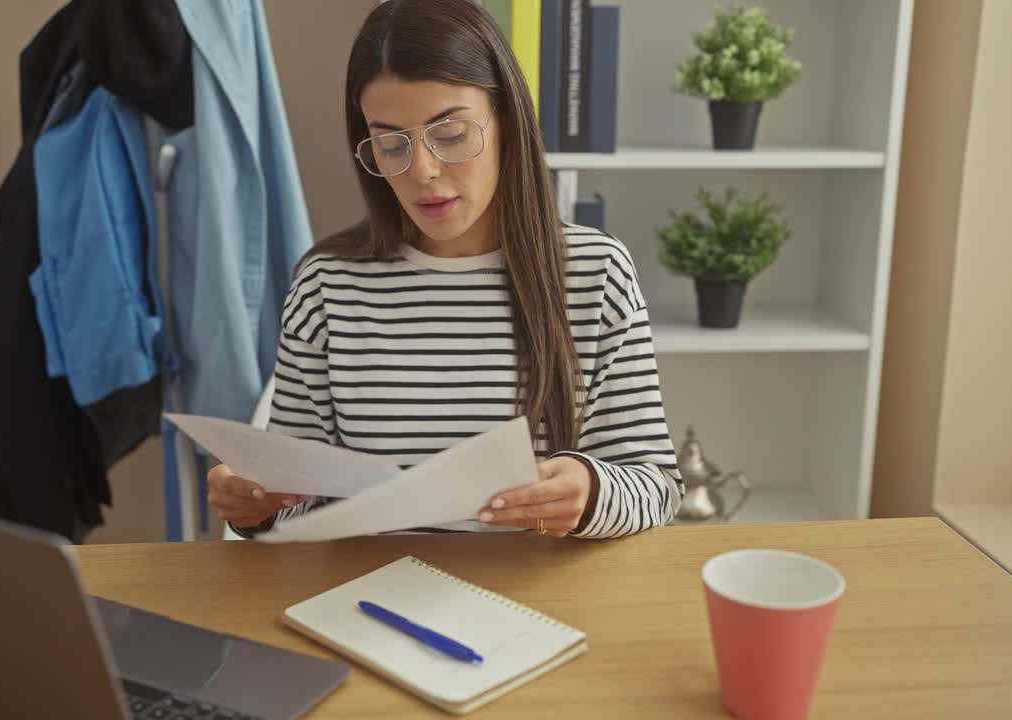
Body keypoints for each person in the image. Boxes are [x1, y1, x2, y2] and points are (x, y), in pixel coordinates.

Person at [208, 0, 682, 540]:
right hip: (368, 599)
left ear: (505, 121)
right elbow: (297, 504)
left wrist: (591, 492)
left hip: (534, 606)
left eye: (452, 135)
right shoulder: (327, 285)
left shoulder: (595, 274)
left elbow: (656, 488)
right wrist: (258, 507)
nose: (423, 172)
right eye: (390, 145)